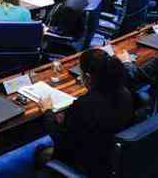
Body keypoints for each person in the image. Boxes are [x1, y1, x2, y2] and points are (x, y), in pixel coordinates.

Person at [36, 49, 134, 178]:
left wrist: (47, 112)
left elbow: (60, 139)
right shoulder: (125, 93)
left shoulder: (84, 105)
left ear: (87, 77)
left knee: (41, 152)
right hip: (110, 157)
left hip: (86, 165)